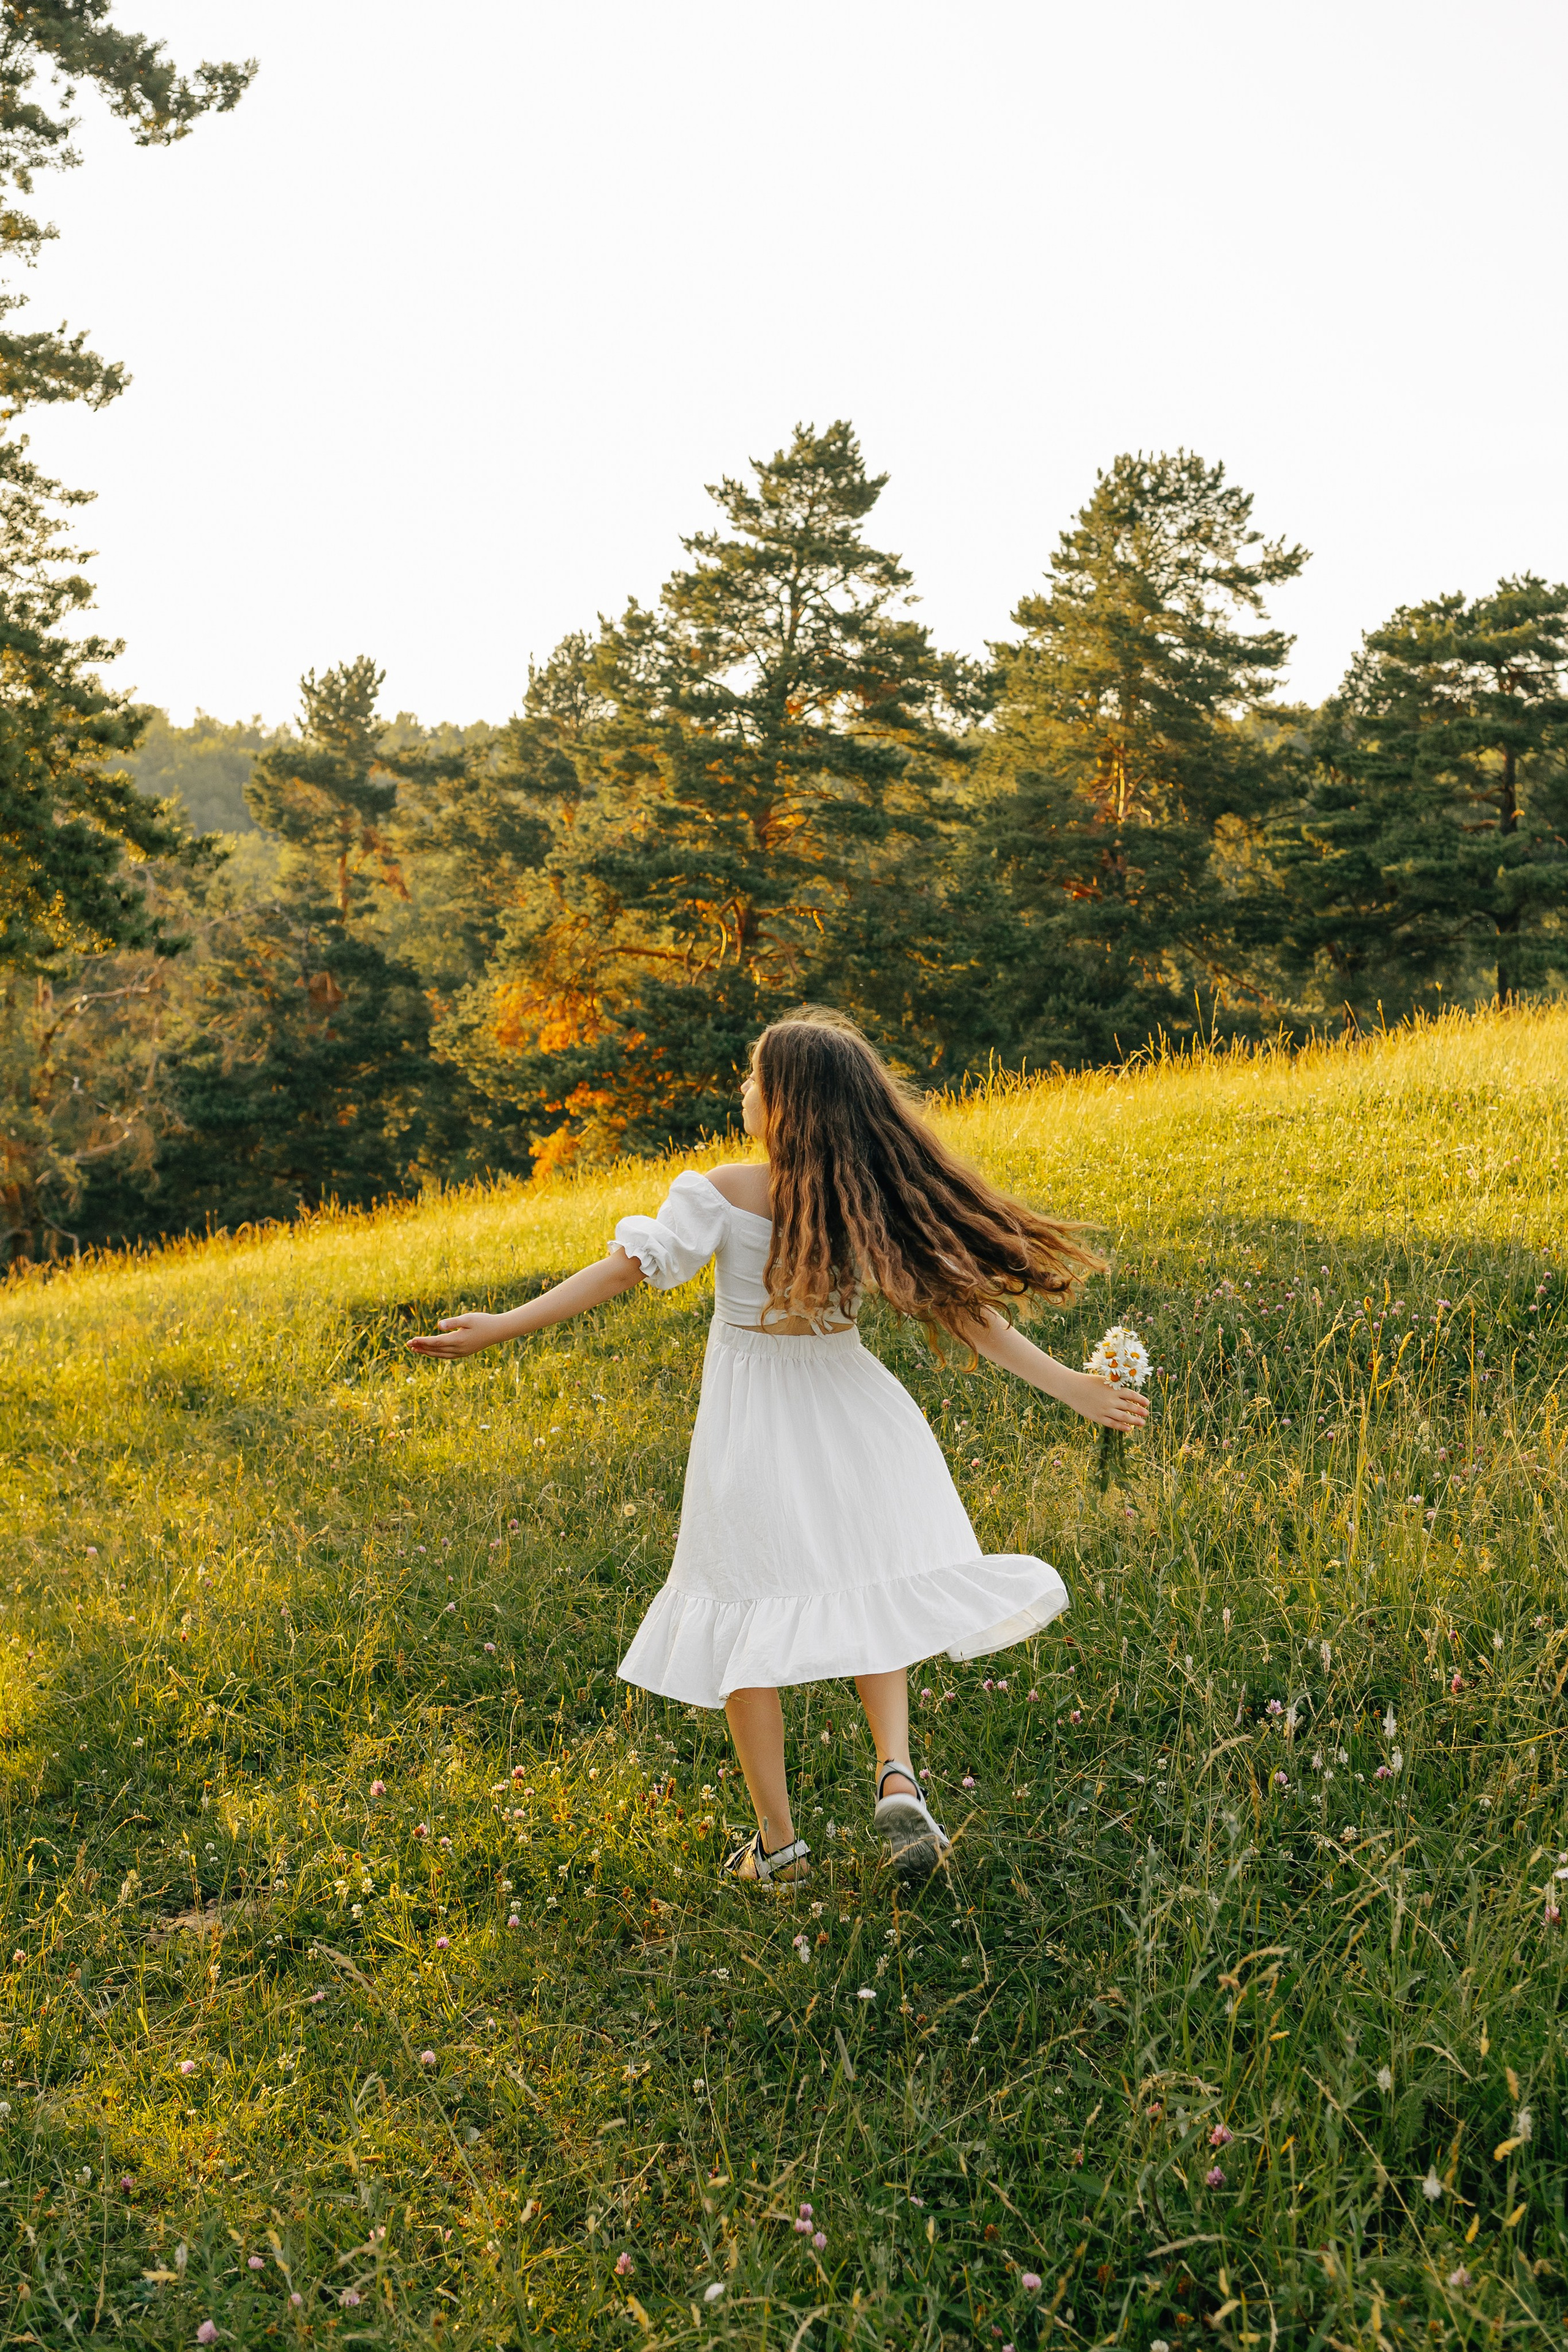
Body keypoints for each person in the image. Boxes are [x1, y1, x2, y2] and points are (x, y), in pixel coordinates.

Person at [409, 1009, 1148, 1885]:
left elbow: (625, 1272)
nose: (744, 1091)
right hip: (854, 1410)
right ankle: (897, 1773)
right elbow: (969, 1318)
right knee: (869, 1583)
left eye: (754, 1079)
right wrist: (1073, 1387)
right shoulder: (864, 1196)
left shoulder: (723, 1191)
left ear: (788, 1101)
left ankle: (779, 1844)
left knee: (742, 1606)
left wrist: (502, 1327)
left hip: (752, 1423)